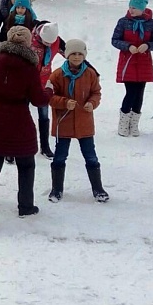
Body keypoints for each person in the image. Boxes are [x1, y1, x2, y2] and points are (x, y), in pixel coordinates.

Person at [0, 26, 53, 224]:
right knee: (26, 165)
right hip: (19, 121)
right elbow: (39, 100)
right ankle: (26, 206)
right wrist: (49, 91)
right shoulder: (29, 68)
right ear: (27, 43)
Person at [47, 39, 110, 203]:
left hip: (84, 123)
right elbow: (48, 96)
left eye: (80, 54)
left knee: (91, 157)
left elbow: (96, 92)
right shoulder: (57, 75)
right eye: (73, 54)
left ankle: (98, 188)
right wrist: (64, 102)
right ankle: (57, 189)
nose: (76, 57)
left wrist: (92, 103)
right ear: (67, 55)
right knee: (60, 157)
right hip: (64, 123)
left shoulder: (90, 74)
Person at [111, 0, 153, 137]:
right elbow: (115, 40)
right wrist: (128, 46)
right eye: (130, 7)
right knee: (131, 91)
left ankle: (134, 123)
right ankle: (123, 121)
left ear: (142, 9)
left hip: (144, 62)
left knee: (140, 93)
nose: (131, 10)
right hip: (128, 61)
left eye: (134, 8)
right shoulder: (123, 21)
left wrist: (148, 45)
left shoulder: (152, 23)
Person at [30, 21, 66, 158]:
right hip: (27, 82)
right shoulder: (30, 40)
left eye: (51, 42)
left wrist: (90, 69)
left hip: (44, 83)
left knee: (44, 115)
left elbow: (71, 54)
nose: (49, 45)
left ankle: (44, 146)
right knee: (19, 114)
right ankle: (10, 148)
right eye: (46, 42)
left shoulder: (56, 41)